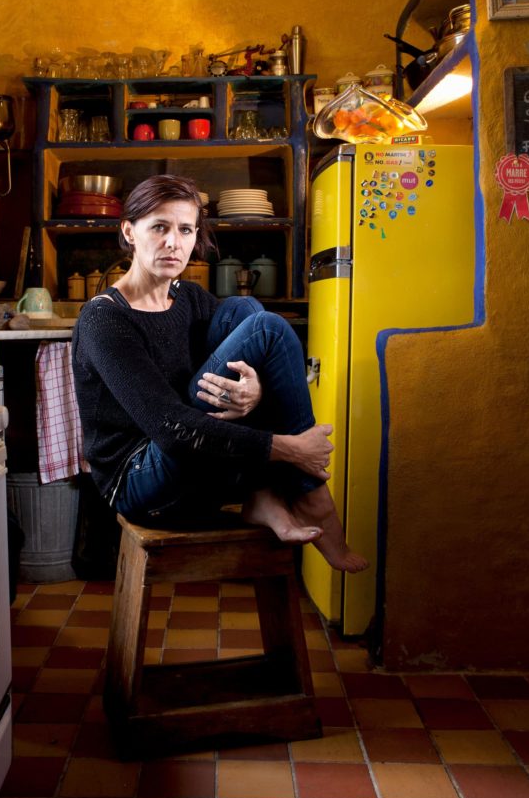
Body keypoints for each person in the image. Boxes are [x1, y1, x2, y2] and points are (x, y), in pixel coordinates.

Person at [72, 174, 367, 573]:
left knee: (244, 313)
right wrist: (290, 449)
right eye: (159, 227)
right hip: (140, 481)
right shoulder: (104, 319)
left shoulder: (190, 298)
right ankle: (311, 495)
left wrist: (255, 392)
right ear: (129, 231)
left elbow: (245, 367)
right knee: (268, 328)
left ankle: (264, 493)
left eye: (186, 229)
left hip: (198, 466)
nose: (174, 242)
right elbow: (173, 429)